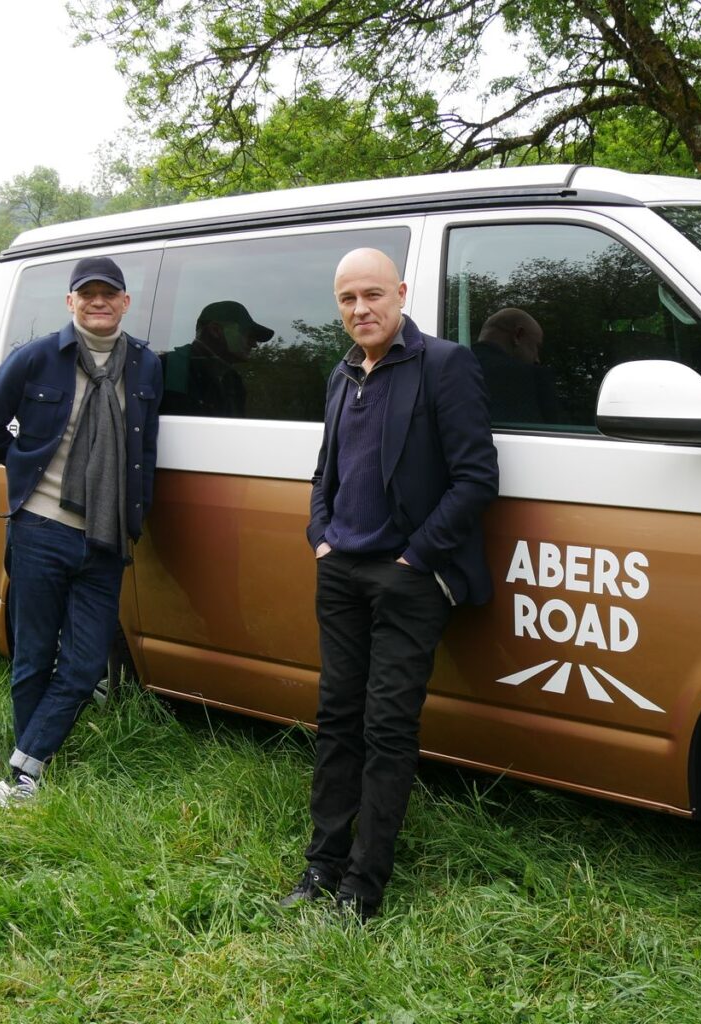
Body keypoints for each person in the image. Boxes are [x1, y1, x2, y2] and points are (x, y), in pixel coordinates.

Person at [280, 248, 499, 922]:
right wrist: (320, 532)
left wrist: (416, 560)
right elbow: (327, 471)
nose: (360, 310)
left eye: (372, 295)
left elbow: (476, 476)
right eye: (347, 299)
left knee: (387, 727)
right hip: (340, 570)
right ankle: (322, 863)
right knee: (337, 719)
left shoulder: (443, 365)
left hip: (407, 576)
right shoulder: (341, 375)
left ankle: (362, 886)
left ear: (400, 293)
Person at [0, 256, 163, 806]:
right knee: (32, 657)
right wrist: (24, 462)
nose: (98, 302)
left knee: (82, 665)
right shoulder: (36, 358)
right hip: (41, 530)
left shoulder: (145, 365)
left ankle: (22, 766)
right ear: (70, 302)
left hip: (105, 535)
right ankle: (28, 776)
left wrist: (135, 516)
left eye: (109, 294)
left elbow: (145, 447)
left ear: (124, 303)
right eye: (87, 294)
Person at [160, 300, 274, 417]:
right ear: (215, 330)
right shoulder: (164, 368)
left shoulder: (233, 381)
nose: (254, 344)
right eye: (247, 334)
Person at [473, 307, 564, 424]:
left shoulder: (451, 370)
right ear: (518, 335)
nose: (537, 359)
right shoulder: (527, 377)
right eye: (536, 346)